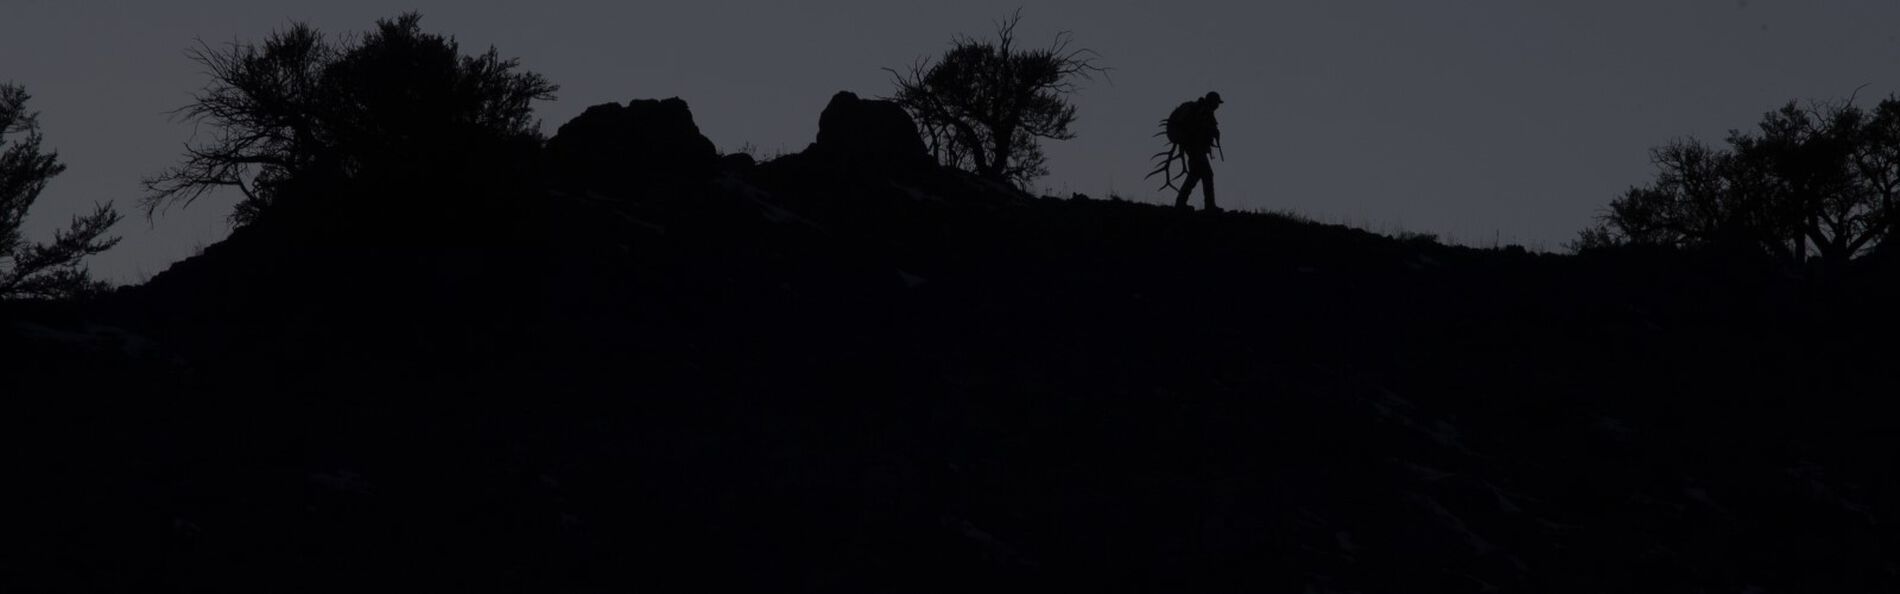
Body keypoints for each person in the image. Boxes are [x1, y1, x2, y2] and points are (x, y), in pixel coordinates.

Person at [1169, 92, 1223, 211]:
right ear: (1212, 101)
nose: (1218, 106)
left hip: (1193, 146)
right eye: (1217, 103)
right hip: (1194, 146)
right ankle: (1210, 206)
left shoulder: (1203, 110)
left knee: (1195, 174)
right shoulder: (1203, 111)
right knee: (1207, 174)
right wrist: (1211, 131)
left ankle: (1180, 203)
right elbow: (1200, 128)